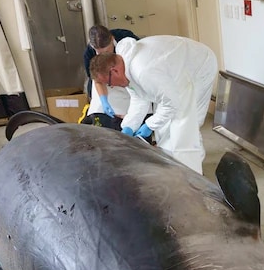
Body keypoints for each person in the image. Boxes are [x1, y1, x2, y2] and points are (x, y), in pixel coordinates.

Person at [88, 36, 218, 174]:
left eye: (109, 83)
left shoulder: (143, 71)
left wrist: (149, 125)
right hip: (173, 72)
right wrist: (129, 126)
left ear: (114, 71)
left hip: (198, 67)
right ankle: (176, 165)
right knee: (164, 128)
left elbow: (172, 103)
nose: (111, 86)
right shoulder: (125, 66)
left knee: (184, 126)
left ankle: (192, 176)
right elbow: (139, 97)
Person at [82, 25, 137, 126]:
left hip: (130, 79)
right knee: (102, 115)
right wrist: (104, 101)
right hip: (104, 85)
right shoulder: (88, 53)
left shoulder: (126, 39)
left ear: (112, 39)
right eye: (100, 53)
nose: (104, 56)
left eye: (107, 51)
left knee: (136, 109)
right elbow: (97, 80)